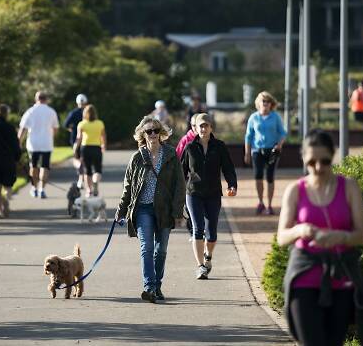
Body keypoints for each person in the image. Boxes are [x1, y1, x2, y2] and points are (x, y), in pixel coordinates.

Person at [277, 129, 363, 346]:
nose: (318, 168)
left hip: (340, 277)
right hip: (304, 276)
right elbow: (282, 237)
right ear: (303, 158)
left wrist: (339, 236)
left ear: (333, 156)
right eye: (311, 162)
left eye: (325, 161)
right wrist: (300, 230)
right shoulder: (295, 190)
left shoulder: (348, 187)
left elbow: (361, 236)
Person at [116, 116, 185, 303]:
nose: (153, 134)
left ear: (161, 133)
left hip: (164, 209)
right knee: (146, 248)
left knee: (160, 250)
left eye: (156, 130)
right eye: (149, 131)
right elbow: (128, 186)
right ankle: (149, 287)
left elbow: (180, 185)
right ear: (142, 134)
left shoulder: (170, 154)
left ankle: (157, 285)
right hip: (143, 209)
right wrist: (121, 210)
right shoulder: (137, 157)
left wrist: (178, 212)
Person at [181, 113, 237, 280]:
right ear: (195, 129)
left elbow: (228, 168)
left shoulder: (219, 146)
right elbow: (181, 172)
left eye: (206, 125)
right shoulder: (189, 148)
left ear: (211, 127)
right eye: (201, 126)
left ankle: (208, 256)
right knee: (197, 229)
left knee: (211, 233)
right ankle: (200, 266)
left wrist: (232, 185)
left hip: (213, 193)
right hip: (193, 193)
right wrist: (177, 194)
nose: (204, 129)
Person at [244, 91, 287, 215]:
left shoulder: (275, 117)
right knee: (258, 176)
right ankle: (260, 202)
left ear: (271, 104)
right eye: (263, 101)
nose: (265, 104)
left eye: (267, 101)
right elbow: (248, 136)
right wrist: (247, 153)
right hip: (257, 150)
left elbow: (282, 133)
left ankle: (269, 205)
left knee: (270, 177)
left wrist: (279, 145)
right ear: (259, 103)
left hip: (272, 150)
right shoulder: (253, 118)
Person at [19, 91, 59, 199]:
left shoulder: (30, 112)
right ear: (46, 99)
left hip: (33, 144)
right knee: (45, 167)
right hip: (46, 143)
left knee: (34, 166)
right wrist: (51, 137)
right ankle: (42, 189)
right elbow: (55, 128)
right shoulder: (51, 112)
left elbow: (23, 129)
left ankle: (34, 188)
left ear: (36, 99)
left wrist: (19, 142)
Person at [75, 104, 106, 197]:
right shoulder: (100, 123)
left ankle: (89, 190)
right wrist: (103, 145)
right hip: (96, 148)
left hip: (85, 148)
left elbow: (79, 138)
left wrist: (76, 148)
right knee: (97, 170)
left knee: (87, 170)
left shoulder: (82, 124)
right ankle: (95, 183)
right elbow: (103, 136)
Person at [64, 94, 88, 190]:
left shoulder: (73, 113)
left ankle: (80, 179)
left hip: (75, 139)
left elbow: (66, 124)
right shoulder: (88, 112)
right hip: (86, 139)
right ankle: (81, 180)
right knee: (83, 160)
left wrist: (72, 129)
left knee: (77, 160)